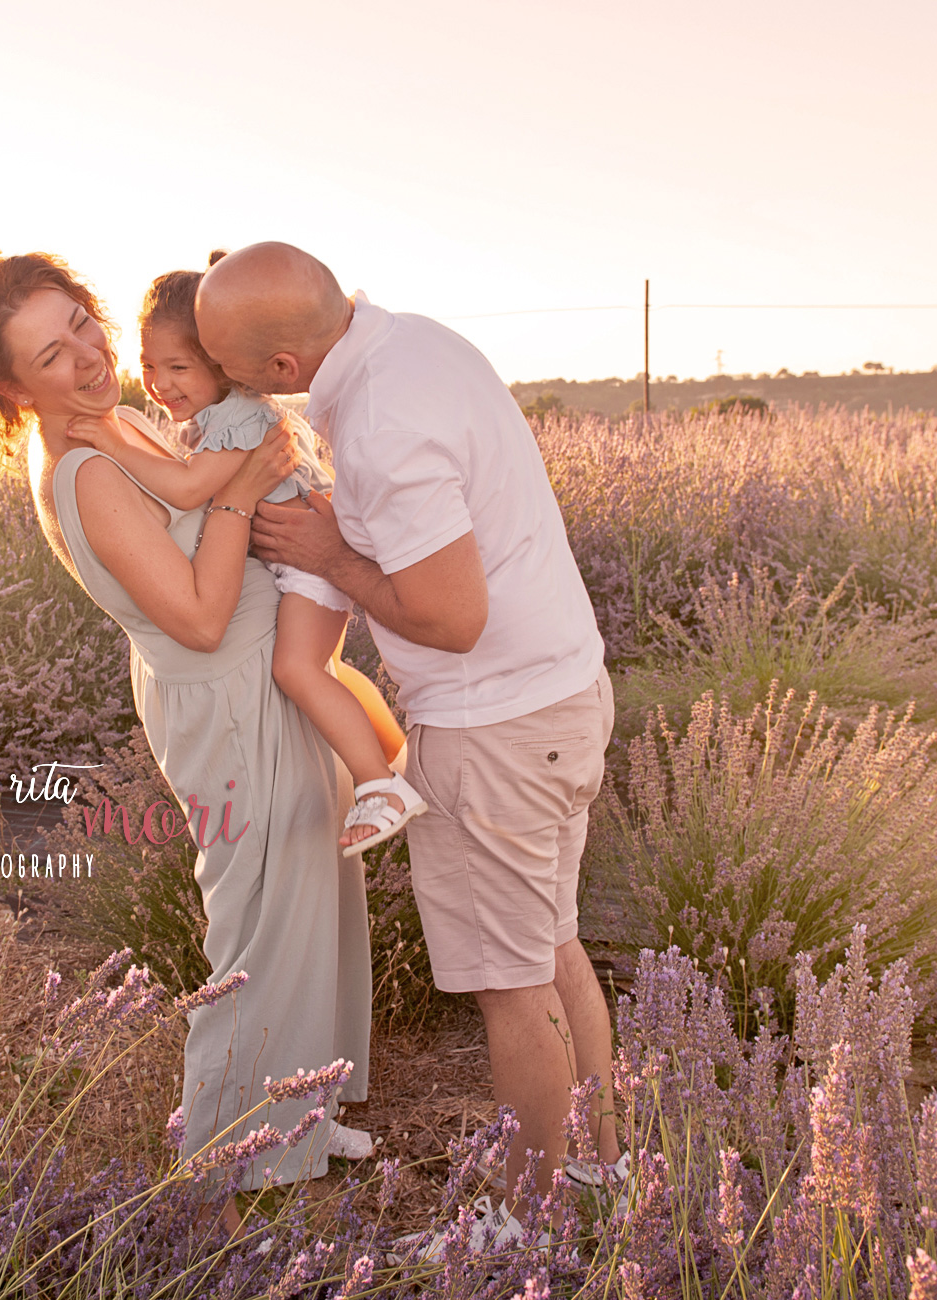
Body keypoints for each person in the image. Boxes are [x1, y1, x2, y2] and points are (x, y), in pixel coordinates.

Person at [0, 251, 374, 1235]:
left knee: (307, 888)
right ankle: (230, 1150)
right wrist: (247, 486)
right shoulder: (82, 470)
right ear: (7, 388)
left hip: (256, 676)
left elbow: (198, 489)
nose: (88, 353)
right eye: (53, 350)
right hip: (229, 690)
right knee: (255, 919)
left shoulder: (111, 421)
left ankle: (298, 1114)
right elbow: (202, 615)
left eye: (82, 320)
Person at [196, 242, 622, 1247]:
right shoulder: (416, 343)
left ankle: (528, 1225)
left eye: (242, 374)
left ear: (285, 370)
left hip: (493, 733)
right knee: (552, 948)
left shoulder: (381, 421)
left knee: (512, 988)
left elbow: (450, 615)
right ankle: (605, 1171)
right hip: (561, 697)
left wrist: (330, 551)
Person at [62, 257, 424, 856]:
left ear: (220, 366)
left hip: (309, 566)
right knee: (326, 670)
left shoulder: (243, 418)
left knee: (298, 670)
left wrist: (107, 439)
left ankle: (380, 788)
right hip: (300, 564)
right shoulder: (218, 418)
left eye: (178, 367)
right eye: (148, 365)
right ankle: (397, 759)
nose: (158, 383)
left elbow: (184, 489)